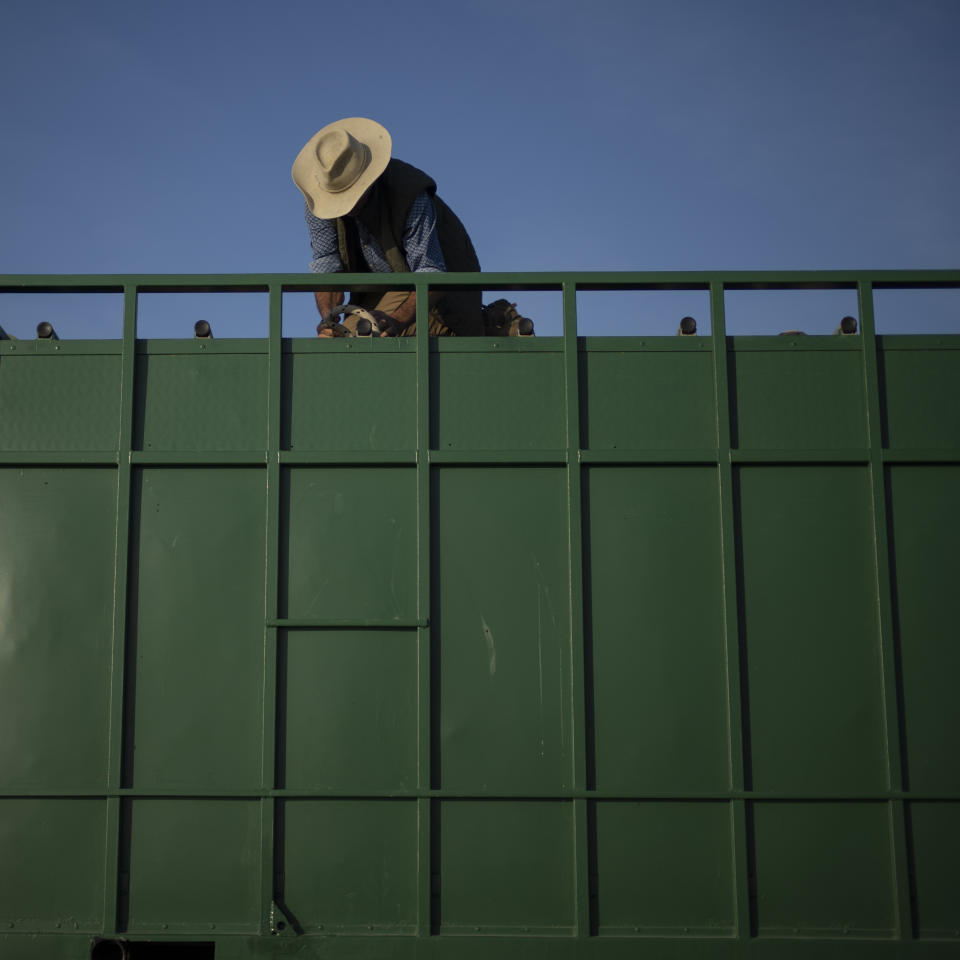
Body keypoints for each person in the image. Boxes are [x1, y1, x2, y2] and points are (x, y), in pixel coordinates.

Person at [292, 117, 483, 337]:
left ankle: (487, 322)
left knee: (358, 336)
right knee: (337, 339)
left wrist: (398, 320)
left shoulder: (410, 194)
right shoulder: (319, 203)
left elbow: (429, 272)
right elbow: (326, 265)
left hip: (435, 294)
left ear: (369, 179)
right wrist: (328, 319)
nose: (346, 205)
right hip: (376, 293)